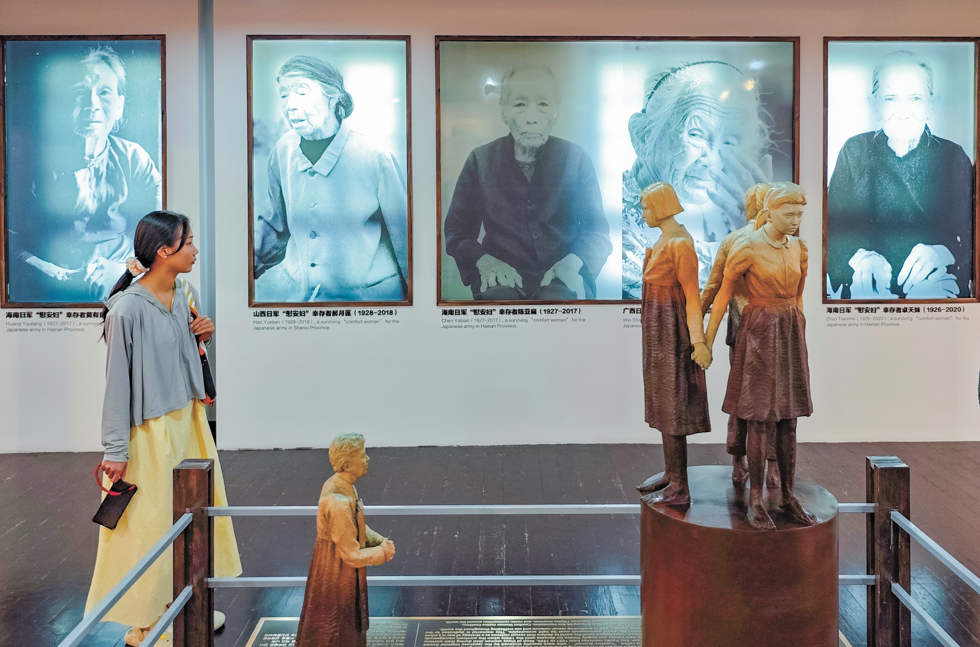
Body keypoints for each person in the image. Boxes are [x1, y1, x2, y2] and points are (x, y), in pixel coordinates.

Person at [87, 211, 241, 645]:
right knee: (151, 527)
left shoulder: (184, 291)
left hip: (189, 421)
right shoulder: (126, 310)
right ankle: (148, 621)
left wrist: (202, 335)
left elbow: (181, 354)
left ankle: (185, 610)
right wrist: (115, 451)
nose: (194, 249)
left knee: (193, 517)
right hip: (148, 433)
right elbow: (116, 385)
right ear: (163, 251)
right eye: (188, 242)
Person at [444, 66, 612, 301]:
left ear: (556, 112)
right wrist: (485, 261)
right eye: (519, 105)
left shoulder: (576, 158)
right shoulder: (480, 160)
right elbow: (457, 232)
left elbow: (597, 232)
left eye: (543, 104)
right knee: (499, 302)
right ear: (503, 111)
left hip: (565, 275)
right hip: (501, 277)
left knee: (560, 301)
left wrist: (572, 264)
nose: (531, 118)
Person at [9, 46, 162, 303]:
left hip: (125, 289)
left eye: (104, 92)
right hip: (48, 292)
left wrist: (124, 271)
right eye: (80, 92)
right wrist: (53, 273)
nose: (92, 105)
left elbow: (161, 240)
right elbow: (10, 242)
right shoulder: (30, 163)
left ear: (120, 105)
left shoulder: (135, 159)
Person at [705, 182, 815, 531]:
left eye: (800, 213)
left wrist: (799, 325)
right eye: (789, 213)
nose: (796, 219)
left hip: (788, 332)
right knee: (758, 416)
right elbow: (722, 297)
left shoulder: (799, 248)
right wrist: (703, 341)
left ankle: (787, 493)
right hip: (757, 332)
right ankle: (755, 499)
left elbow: (798, 296)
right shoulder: (746, 247)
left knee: (789, 418)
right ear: (768, 212)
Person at [254, 55, 408, 302]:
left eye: (301, 92)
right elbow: (277, 223)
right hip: (300, 302)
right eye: (284, 94)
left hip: (368, 302)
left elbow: (404, 238)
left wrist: (417, 309)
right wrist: (240, 269)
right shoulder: (283, 151)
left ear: (333, 96)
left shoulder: (375, 157)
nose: (290, 104)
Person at [827, 50, 974, 300]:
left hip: (936, 288)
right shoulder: (854, 150)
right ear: (874, 104)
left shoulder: (953, 156)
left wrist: (946, 254)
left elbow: (971, 234)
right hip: (868, 292)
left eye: (915, 98)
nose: (903, 111)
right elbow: (830, 231)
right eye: (890, 98)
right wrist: (857, 260)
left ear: (931, 105)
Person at [623, 61, 775, 297]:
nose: (712, 160)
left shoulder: (732, 215)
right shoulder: (612, 227)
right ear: (642, 136)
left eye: (729, 142)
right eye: (696, 134)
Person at [634, 183, 711, 507]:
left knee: (674, 404)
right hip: (657, 332)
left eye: (647, 208)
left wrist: (698, 341)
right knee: (663, 404)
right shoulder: (664, 239)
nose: (643, 214)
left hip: (671, 332)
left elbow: (693, 297)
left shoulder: (680, 244)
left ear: (662, 207)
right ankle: (670, 473)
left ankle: (680, 487)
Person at [700, 183, 779, 488]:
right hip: (768, 331)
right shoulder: (774, 241)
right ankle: (770, 466)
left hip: (743, 329)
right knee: (772, 401)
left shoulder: (734, 239)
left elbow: (711, 288)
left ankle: (739, 461)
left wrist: (696, 325)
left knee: (742, 398)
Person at [295, 433, 395, 647]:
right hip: (336, 572)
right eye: (362, 455)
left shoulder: (344, 485)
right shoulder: (338, 502)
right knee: (336, 626)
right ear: (348, 464)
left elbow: (355, 527)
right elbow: (351, 555)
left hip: (339, 569)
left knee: (341, 626)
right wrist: (383, 553)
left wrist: (378, 539)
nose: (367, 459)